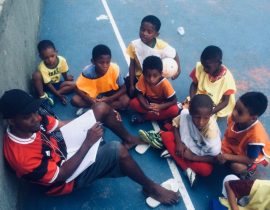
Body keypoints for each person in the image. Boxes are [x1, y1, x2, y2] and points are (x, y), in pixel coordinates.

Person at [0, 89, 179, 205]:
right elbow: (61, 176)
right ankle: (151, 187)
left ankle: (129, 138)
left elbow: (60, 125)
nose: (36, 118)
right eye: (27, 116)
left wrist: (93, 118)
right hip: (64, 179)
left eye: (34, 112)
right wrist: (87, 142)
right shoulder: (21, 157)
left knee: (101, 107)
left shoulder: (31, 121)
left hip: (62, 147)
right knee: (116, 150)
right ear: (11, 121)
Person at [139, 94, 221, 187]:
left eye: (206, 118)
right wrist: (179, 143)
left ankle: (172, 153)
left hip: (199, 154)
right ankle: (186, 167)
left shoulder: (211, 131)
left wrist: (192, 157)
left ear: (210, 115)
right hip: (185, 144)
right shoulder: (185, 114)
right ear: (190, 112)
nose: (201, 122)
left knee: (206, 170)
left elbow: (215, 158)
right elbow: (175, 125)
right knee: (167, 136)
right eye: (197, 117)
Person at [217, 92, 270, 179]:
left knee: (236, 167)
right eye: (235, 108)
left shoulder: (256, 137)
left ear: (253, 118)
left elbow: (250, 159)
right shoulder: (235, 118)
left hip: (248, 156)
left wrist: (227, 156)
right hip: (236, 146)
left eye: (240, 112)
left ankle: (250, 170)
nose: (234, 113)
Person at [126, 15, 181, 97]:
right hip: (138, 77)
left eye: (149, 31)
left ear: (156, 34)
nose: (144, 33)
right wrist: (131, 85)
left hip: (153, 80)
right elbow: (132, 65)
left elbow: (174, 53)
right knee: (129, 93)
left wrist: (178, 70)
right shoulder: (134, 45)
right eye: (142, 29)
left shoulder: (162, 47)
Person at [71, 44, 130, 114]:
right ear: (93, 61)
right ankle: (101, 107)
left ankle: (94, 108)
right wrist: (89, 99)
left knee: (125, 102)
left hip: (110, 91)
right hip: (93, 92)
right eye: (101, 63)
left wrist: (110, 98)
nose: (105, 66)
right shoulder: (87, 72)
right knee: (75, 100)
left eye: (108, 62)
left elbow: (124, 88)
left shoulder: (115, 69)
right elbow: (76, 88)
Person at [189, 45, 236, 118]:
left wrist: (210, 112)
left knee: (204, 124)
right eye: (203, 65)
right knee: (185, 112)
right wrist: (192, 101)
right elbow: (194, 84)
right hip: (200, 98)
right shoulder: (201, 68)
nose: (204, 69)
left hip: (214, 106)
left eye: (207, 67)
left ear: (219, 63)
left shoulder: (227, 80)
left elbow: (225, 102)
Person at [129, 55, 179, 123]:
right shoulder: (142, 78)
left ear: (161, 74)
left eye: (155, 76)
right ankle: (157, 117)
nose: (151, 79)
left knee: (175, 110)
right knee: (133, 103)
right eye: (148, 76)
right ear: (143, 73)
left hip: (161, 105)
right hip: (148, 104)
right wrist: (146, 106)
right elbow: (139, 93)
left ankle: (145, 117)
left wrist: (160, 106)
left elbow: (174, 100)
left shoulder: (165, 84)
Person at [32, 40, 75, 106]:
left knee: (74, 85)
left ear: (56, 52)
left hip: (57, 83)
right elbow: (48, 84)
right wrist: (59, 96)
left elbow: (64, 71)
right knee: (36, 75)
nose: (50, 60)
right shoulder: (42, 67)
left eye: (52, 56)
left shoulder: (62, 60)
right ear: (41, 57)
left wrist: (66, 78)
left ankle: (51, 95)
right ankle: (43, 96)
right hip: (45, 86)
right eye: (46, 58)